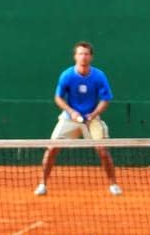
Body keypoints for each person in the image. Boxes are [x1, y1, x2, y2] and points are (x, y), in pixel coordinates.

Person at [36, 41, 121, 196]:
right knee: (52, 148)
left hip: (92, 118)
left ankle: (113, 184)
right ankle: (42, 184)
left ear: (91, 57)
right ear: (75, 56)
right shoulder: (67, 75)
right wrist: (71, 112)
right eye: (80, 54)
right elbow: (58, 98)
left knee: (102, 149)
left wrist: (93, 114)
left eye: (86, 54)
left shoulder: (99, 76)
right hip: (70, 118)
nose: (83, 57)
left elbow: (106, 99)